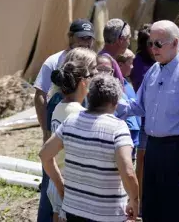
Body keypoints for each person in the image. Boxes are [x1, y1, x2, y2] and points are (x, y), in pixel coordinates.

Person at [116, 20, 179, 222]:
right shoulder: (154, 71)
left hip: (177, 151)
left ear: (175, 42)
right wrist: (108, 105)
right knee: (151, 208)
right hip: (153, 149)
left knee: (175, 211)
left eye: (159, 44)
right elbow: (138, 106)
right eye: (151, 43)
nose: (153, 49)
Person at [40, 74, 139, 222]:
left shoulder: (71, 121)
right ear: (115, 101)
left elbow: (44, 155)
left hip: (73, 210)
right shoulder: (118, 128)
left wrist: (60, 185)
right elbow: (128, 172)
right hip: (108, 214)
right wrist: (134, 200)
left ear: (89, 96)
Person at [34, 19, 95, 222]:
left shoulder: (92, 61)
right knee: (51, 182)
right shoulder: (54, 61)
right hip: (58, 126)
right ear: (70, 37)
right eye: (81, 38)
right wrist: (45, 130)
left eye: (89, 39)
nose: (85, 42)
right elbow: (40, 95)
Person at [46, 49, 97, 222]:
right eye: (92, 74)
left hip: (57, 179)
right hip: (70, 183)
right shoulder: (80, 114)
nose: (94, 78)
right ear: (83, 82)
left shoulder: (58, 106)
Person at [131, 24, 155, 217]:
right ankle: (138, 199)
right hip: (145, 120)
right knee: (142, 161)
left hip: (156, 120)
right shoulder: (139, 63)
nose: (154, 47)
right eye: (150, 44)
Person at [117, 49, 141, 159]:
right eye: (130, 63)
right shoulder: (116, 86)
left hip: (134, 138)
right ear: (120, 65)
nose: (132, 67)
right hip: (126, 137)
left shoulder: (127, 84)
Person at [99, 18, 130, 84]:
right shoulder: (106, 64)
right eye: (128, 38)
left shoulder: (106, 58)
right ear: (121, 40)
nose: (129, 43)